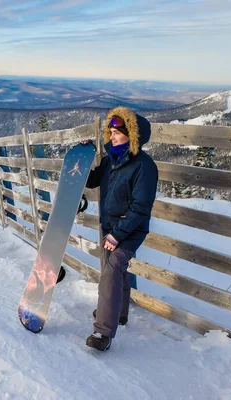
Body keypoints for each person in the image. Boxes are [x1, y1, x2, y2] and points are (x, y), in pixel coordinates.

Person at [84, 106, 158, 351]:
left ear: (131, 135)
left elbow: (141, 207)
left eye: (117, 132)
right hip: (110, 226)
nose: (112, 136)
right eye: (111, 132)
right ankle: (119, 312)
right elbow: (92, 180)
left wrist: (118, 234)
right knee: (115, 271)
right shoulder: (110, 160)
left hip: (130, 229)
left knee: (111, 271)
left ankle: (102, 331)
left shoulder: (144, 166)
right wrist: (83, 155)